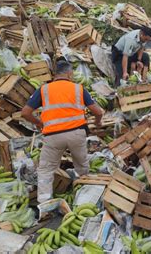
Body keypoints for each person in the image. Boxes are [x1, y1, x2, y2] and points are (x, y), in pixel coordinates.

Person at [21, 60, 104, 203]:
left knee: (46, 170)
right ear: (70, 73)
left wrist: (39, 123)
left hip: (53, 136)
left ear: (54, 74)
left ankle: (45, 203)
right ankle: (85, 199)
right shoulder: (78, 89)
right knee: (82, 167)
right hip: (76, 134)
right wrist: (97, 122)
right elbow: (98, 112)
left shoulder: (44, 89)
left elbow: (25, 112)